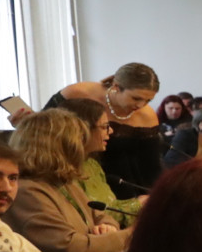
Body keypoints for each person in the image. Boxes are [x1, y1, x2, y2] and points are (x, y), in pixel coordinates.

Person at [6, 109, 129, 252]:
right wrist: (130, 235)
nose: (82, 148)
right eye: (79, 141)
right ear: (60, 147)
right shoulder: (27, 191)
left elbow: (100, 215)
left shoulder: (62, 181)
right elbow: (70, 247)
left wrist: (107, 227)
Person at [49, 62, 164, 197]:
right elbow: (46, 127)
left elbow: (150, 167)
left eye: (148, 100)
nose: (141, 105)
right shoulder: (78, 93)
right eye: (136, 98)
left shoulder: (147, 116)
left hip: (121, 181)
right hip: (73, 172)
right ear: (116, 87)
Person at [50, 95, 144, 226]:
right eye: (105, 126)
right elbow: (89, 215)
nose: (110, 131)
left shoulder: (91, 163)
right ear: (82, 130)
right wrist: (137, 205)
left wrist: (140, 202)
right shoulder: (60, 170)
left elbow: (109, 206)